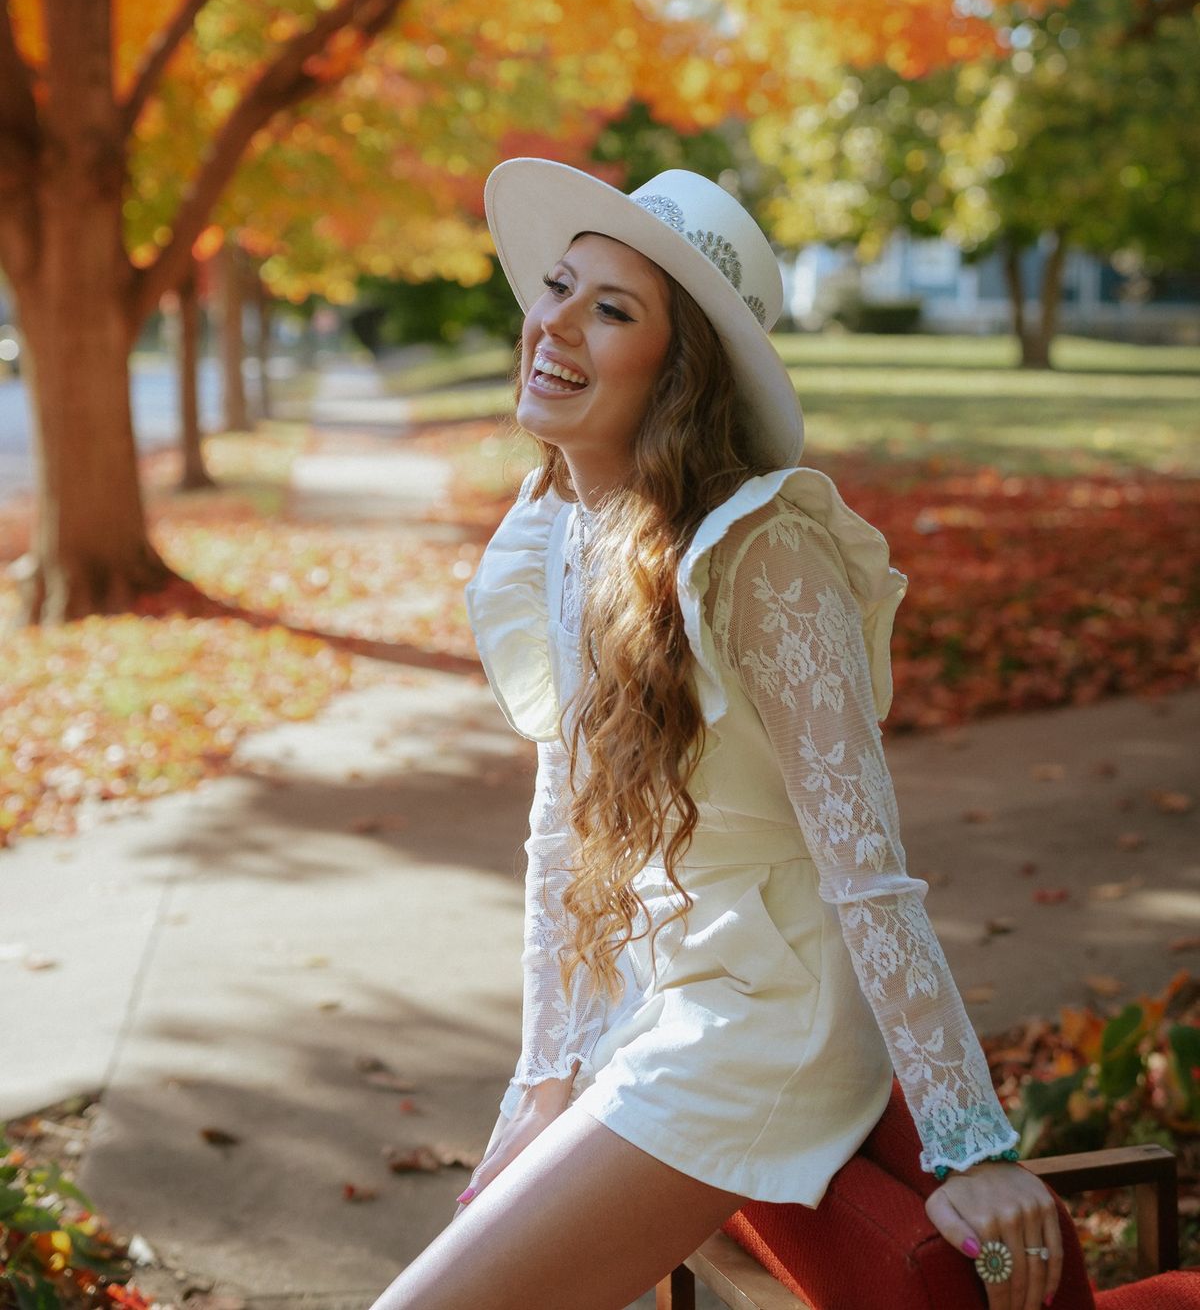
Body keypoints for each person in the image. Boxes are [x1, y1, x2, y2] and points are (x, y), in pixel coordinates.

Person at [369, 163, 1062, 1310]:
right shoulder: (561, 532)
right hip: (661, 998)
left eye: (613, 309)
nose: (555, 325)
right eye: (559, 286)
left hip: (765, 1018)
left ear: (678, 369)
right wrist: (540, 1084)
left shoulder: (761, 550)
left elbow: (866, 868)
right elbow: (561, 838)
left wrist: (971, 1144)